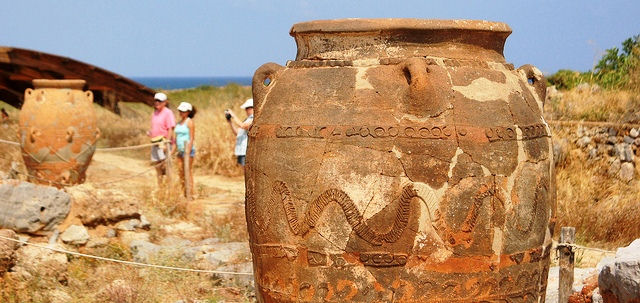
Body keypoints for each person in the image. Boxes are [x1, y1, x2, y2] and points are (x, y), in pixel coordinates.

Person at [148, 92, 176, 186]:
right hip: (154, 142)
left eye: (159, 101)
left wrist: (166, 143)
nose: (157, 103)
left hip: (163, 143)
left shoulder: (168, 113)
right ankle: (160, 187)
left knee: (166, 165)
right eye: (156, 100)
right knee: (157, 166)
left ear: (165, 102)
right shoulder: (154, 113)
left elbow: (170, 128)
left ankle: (170, 187)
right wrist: (150, 133)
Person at [175, 101, 196, 197]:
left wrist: (188, 150)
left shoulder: (189, 122)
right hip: (180, 150)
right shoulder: (179, 123)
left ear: (188, 112)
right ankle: (184, 191)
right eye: (180, 111)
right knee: (180, 171)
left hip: (188, 151)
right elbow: (176, 137)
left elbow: (191, 137)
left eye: (183, 111)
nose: (181, 113)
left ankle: (190, 193)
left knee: (187, 171)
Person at [226, 98, 254, 166]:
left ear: (253, 108)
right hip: (241, 150)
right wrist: (230, 122)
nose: (246, 110)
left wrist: (233, 115)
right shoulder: (246, 119)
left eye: (247, 108)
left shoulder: (254, 119)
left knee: (247, 173)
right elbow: (237, 133)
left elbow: (243, 126)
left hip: (246, 151)